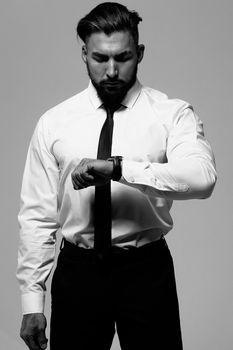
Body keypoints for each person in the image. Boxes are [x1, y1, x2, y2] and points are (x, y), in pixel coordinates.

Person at [17, 2, 217, 350]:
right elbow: (38, 213)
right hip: (78, 272)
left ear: (139, 52)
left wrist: (119, 169)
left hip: (145, 271)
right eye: (100, 58)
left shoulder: (172, 114)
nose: (111, 70)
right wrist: (32, 299)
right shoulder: (54, 122)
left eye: (122, 58)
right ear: (84, 54)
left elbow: (201, 178)